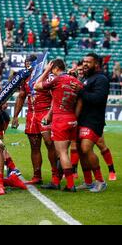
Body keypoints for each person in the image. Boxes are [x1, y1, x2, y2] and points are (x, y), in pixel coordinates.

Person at [34, 59, 83, 192]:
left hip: (60, 119)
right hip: (72, 119)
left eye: (52, 69)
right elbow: (80, 102)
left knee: (61, 153)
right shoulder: (76, 81)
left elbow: (36, 86)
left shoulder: (57, 80)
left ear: (55, 68)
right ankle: (56, 182)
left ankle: (70, 185)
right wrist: (75, 118)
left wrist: (46, 71)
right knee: (64, 152)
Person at [12, 63, 59, 186]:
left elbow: (56, 97)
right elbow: (21, 96)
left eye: (29, 65)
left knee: (50, 144)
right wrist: (16, 116)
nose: (27, 68)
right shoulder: (26, 79)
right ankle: (37, 176)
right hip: (32, 115)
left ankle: (55, 176)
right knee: (34, 146)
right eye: (26, 65)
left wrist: (50, 113)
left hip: (45, 113)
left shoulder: (49, 77)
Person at [76, 53, 111, 192]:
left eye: (88, 62)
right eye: (84, 61)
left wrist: (81, 91)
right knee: (81, 151)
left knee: (85, 148)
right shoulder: (86, 78)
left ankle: (101, 181)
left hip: (93, 120)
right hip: (82, 119)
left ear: (96, 64)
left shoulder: (101, 79)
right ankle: (88, 182)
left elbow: (98, 98)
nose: (85, 64)